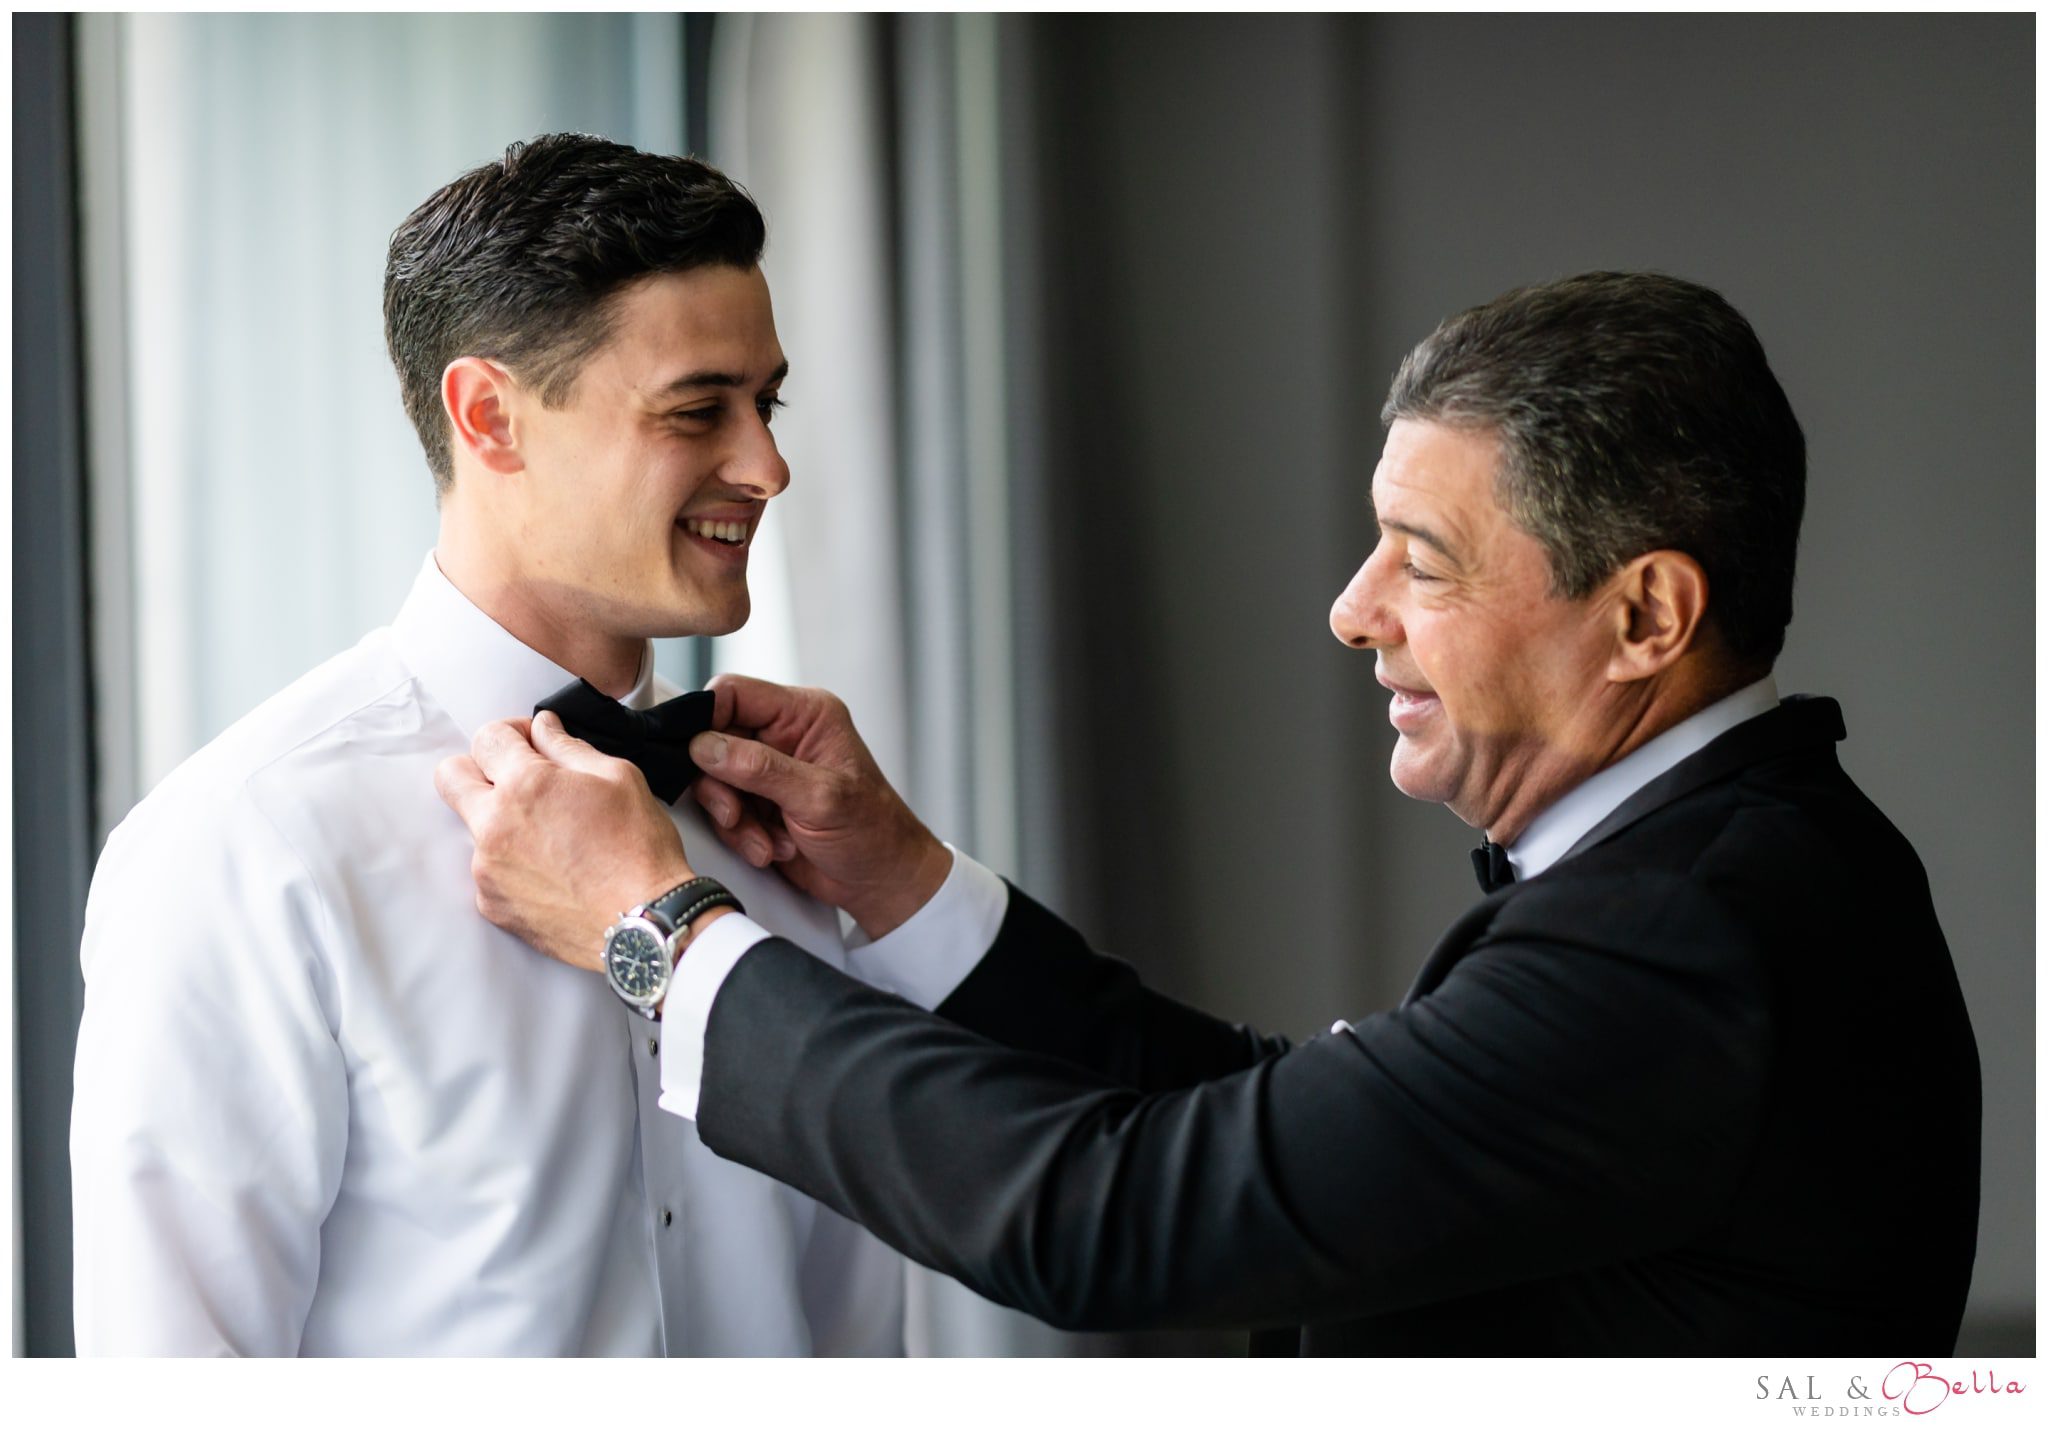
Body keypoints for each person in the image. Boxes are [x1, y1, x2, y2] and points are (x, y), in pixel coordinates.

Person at [439, 272, 1982, 1356]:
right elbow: (1258, 1135)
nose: (1350, 610)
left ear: (1648, 613)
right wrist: (904, 883)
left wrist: (662, 937)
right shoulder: (1728, 870)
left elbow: (1127, 1216)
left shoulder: (1686, 934)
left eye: (1420, 558)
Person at [70, 134, 924, 1355]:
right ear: (490, 419)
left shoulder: (786, 824)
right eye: (698, 410)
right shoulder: (244, 848)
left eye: (766, 403)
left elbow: (852, 1339)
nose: (769, 466)